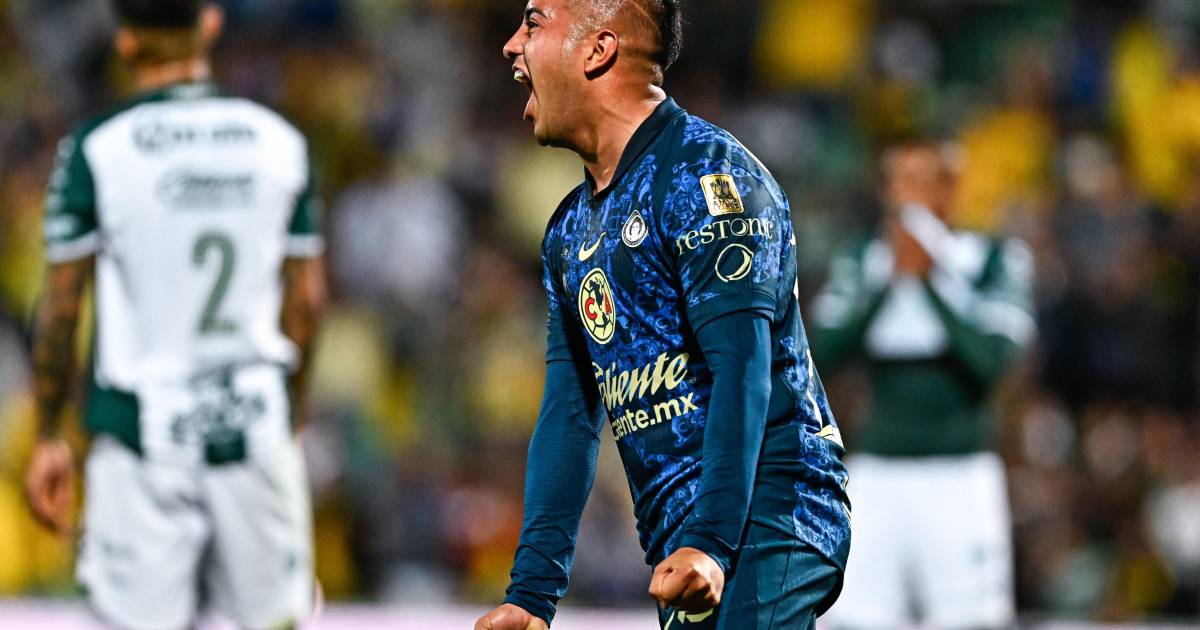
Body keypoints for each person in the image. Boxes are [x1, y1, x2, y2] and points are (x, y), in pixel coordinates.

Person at [475, 2, 851, 629]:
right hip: (685, 541)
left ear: (598, 49)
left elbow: (742, 369)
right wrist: (532, 594)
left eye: (534, 23)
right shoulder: (569, 230)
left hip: (765, 516)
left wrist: (712, 541)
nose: (512, 45)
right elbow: (569, 417)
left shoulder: (706, 176)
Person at [23, 1, 326, 628]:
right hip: (254, 426)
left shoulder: (96, 149)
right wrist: (291, 415)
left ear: (125, 42)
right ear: (210, 24)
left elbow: (60, 307)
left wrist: (50, 433)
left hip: (140, 442)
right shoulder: (281, 143)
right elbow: (306, 302)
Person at [815, 142, 1035, 629]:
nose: (909, 195)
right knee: (853, 618)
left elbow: (992, 364)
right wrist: (889, 283)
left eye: (924, 181)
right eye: (900, 180)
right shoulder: (862, 258)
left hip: (960, 476)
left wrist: (929, 282)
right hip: (876, 473)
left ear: (950, 190)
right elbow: (821, 353)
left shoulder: (993, 258)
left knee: (969, 620)